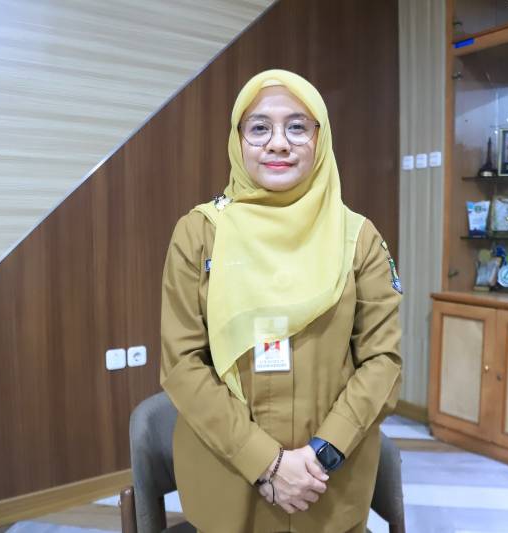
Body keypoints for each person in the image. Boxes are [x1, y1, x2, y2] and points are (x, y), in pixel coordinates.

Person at [160, 69, 402, 533]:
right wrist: (265, 462)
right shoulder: (199, 234)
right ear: (238, 141)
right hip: (229, 478)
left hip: (328, 480)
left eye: (296, 127)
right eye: (259, 128)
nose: (278, 143)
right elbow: (182, 364)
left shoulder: (358, 238)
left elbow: (382, 361)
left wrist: (322, 453)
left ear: (320, 139)